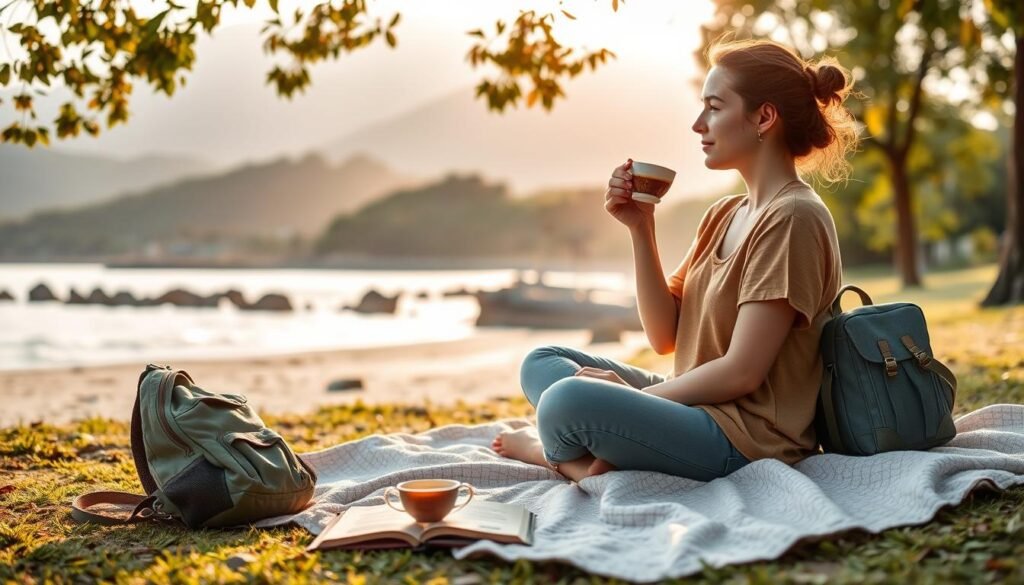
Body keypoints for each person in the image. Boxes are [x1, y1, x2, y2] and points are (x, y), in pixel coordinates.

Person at [490, 37, 860, 483]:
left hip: (745, 439)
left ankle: (564, 462)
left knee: (565, 402)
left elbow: (743, 372)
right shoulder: (724, 214)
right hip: (693, 405)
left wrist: (635, 397)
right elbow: (664, 336)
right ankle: (598, 457)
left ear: (764, 116)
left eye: (714, 107)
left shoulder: (793, 218)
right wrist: (640, 228)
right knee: (542, 361)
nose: (697, 124)